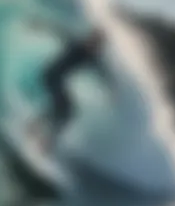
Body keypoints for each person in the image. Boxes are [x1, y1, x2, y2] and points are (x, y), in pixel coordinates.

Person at [27, 18, 115, 152]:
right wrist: (39, 25)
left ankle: (34, 129)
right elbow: (58, 31)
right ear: (90, 38)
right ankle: (43, 139)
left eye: (99, 45)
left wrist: (111, 88)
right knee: (64, 110)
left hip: (57, 79)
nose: (96, 47)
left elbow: (101, 71)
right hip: (51, 75)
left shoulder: (91, 57)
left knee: (65, 112)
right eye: (95, 42)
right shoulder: (76, 43)